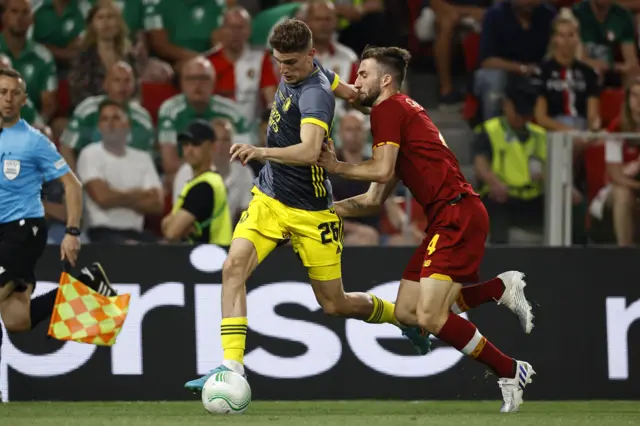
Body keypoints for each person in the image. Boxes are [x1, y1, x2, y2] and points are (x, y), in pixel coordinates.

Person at [183, 19, 430, 393]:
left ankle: (402, 320)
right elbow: (353, 94)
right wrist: (376, 108)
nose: (285, 69)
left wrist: (260, 150)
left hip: (311, 212)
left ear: (311, 56)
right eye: (279, 61)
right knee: (233, 268)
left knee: (336, 304)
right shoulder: (317, 73)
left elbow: (310, 150)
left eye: (293, 63)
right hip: (269, 198)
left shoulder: (314, 93)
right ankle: (232, 368)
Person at [317, 46, 535, 413]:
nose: (357, 83)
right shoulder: (403, 116)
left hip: (457, 213)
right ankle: (498, 288)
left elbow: (381, 171)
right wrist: (325, 212)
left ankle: (511, 369)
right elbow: (372, 200)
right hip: (447, 218)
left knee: (432, 317)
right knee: (407, 313)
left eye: (364, 75)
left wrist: (336, 167)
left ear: (385, 80)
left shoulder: (389, 109)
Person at [0, 68, 116, 380]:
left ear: (24, 99)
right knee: (16, 320)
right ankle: (88, 286)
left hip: (23, 229)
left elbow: (72, 185)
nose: (8, 99)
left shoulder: (33, 141)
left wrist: (72, 232)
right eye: (2, 92)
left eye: (14, 93)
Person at [162, 120, 232, 245]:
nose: (188, 150)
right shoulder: (200, 182)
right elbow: (165, 224)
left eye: (195, 144)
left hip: (209, 258)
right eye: (185, 144)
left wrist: (177, 225)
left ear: (212, 147)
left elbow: (171, 233)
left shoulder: (205, 186)